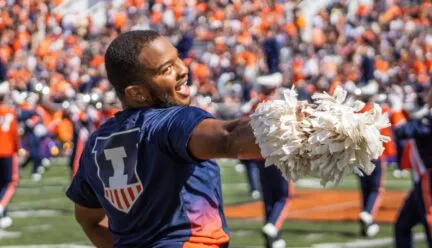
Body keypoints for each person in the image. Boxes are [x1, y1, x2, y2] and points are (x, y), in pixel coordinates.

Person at [66, 30, 262, 247]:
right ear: (137, 93)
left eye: (177, 58)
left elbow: (87, 219)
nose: (182, 69)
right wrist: (290, 127)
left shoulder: (97, 140)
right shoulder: (173, 120)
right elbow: (228, 138)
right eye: (167, 69)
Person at [390, 85, 432, 248]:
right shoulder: (426, 116)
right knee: (402, 225)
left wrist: (396, 108)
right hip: (421, 181)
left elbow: (402, 131)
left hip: (428, 179)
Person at [0, 82, 19, 228]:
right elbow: (14, 134)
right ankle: (1, 207)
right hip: (6, 150)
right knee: (11, 182)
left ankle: (3, 213)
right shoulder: (9, 112)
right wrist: (17, 150)